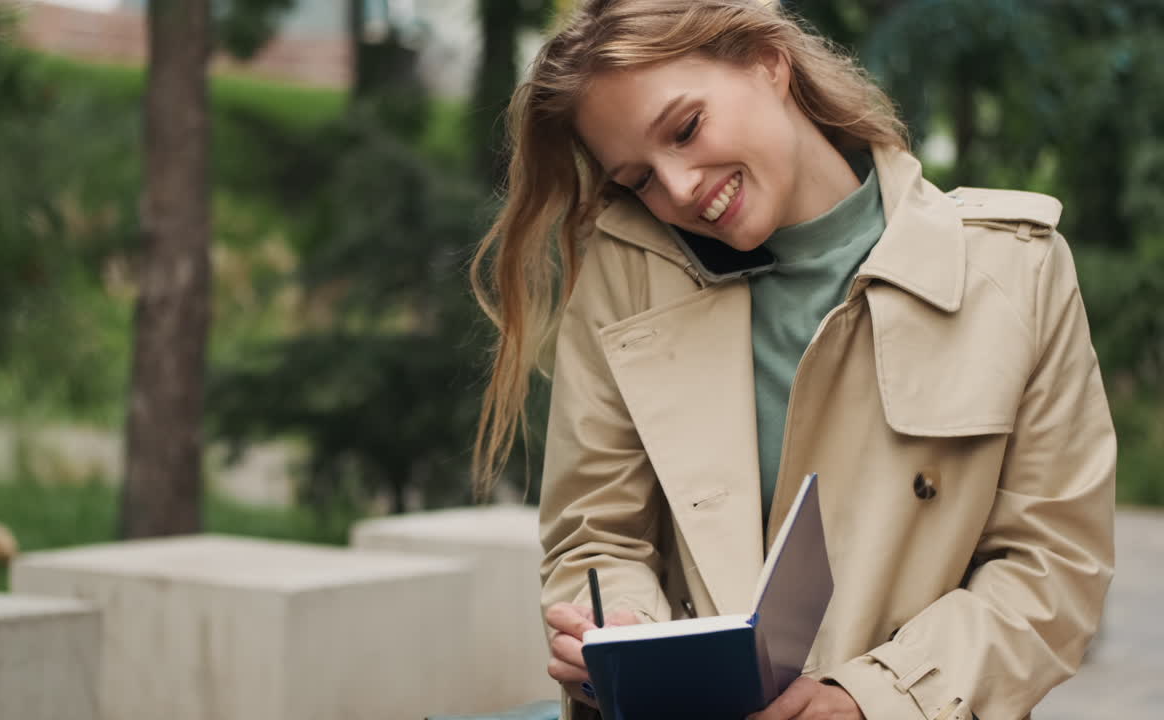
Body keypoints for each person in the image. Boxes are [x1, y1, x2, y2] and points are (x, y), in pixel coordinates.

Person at [469, 1, 1116, 718]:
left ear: (768, 61)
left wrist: (873, 698)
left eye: (685, 129)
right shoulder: (627, 277)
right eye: (640, 179)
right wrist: (626, 638)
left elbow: (1052, 568)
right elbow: (596, 537)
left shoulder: (1013, 268)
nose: (679, 188)